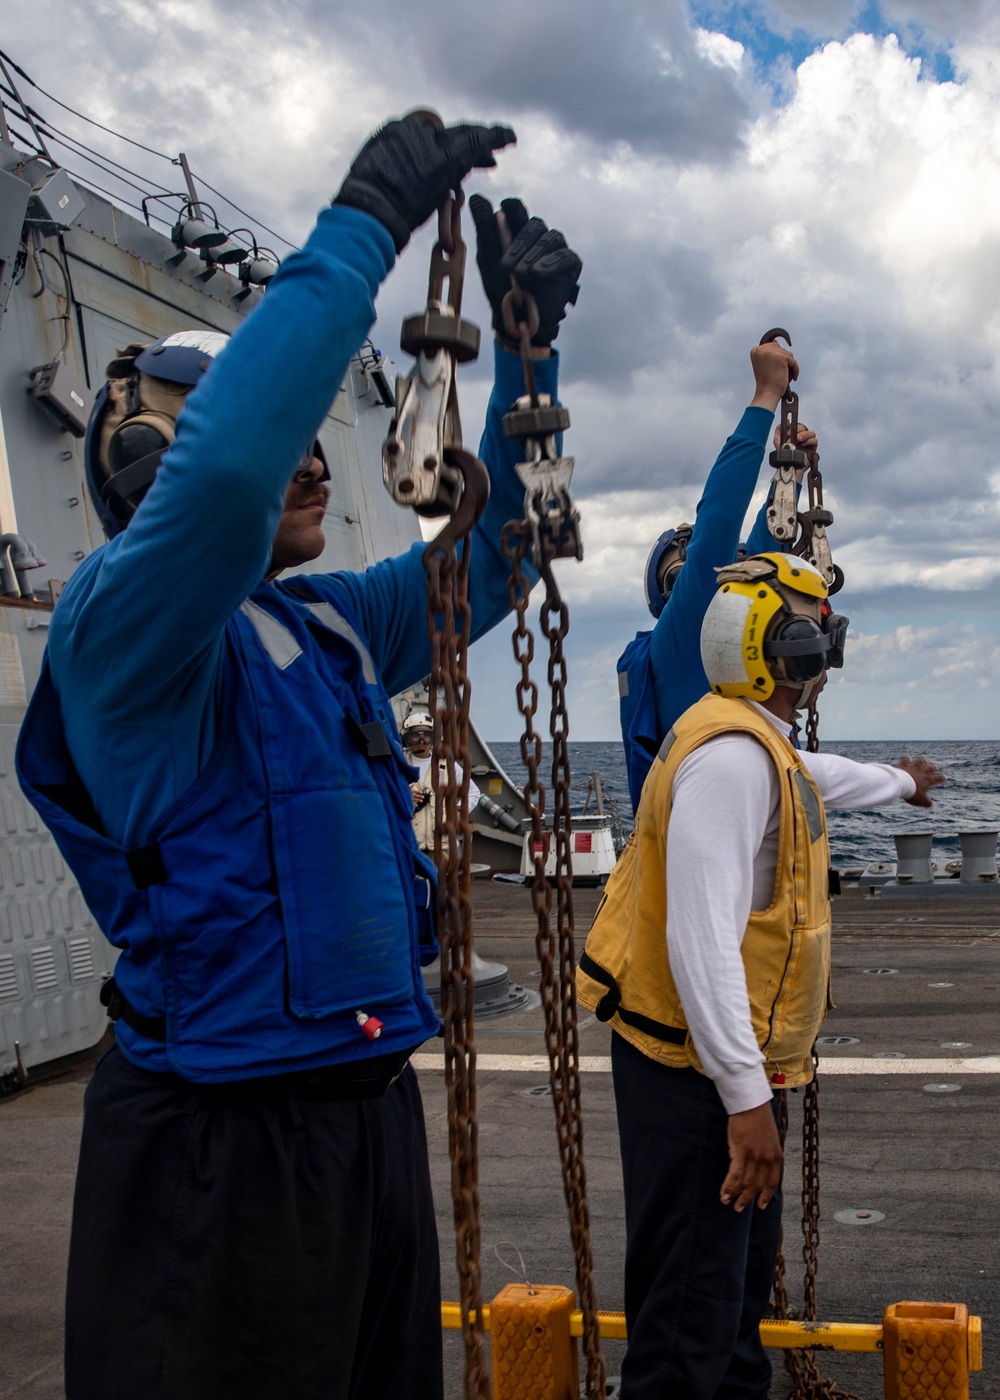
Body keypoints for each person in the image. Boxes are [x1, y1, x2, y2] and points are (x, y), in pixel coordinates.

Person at [16, 111, 582, 1400]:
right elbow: (220, 491)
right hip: (217, 1152)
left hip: (358, 1115)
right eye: (289, 438)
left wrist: (534, 367)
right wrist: (363, 226)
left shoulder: (320, 622)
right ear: (151, 465)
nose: (317, 460)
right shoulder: (123, 629)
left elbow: (499, 558)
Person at [578, 552, 944, 1399]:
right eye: (821, 632)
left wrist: (900, 782)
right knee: (687, 1323)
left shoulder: (744, 740)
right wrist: (745, 1101)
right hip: (699, 1082)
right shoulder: (731, 763)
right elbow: (699, 944)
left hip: (711, 1069)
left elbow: (812, 776)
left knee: (730, 1307)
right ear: (796, 649)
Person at [618, 338, 818, 813]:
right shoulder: (683, 637)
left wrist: (788, 475)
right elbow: (718, 524)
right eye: (682, 566)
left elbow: (763, 557)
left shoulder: (728, 637)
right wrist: (765, 397)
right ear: (669, 591)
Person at [402, 709, 482, 854]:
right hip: (410, 844)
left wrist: (458, 811)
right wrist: (404, 795)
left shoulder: (446, 765)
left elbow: (472, 791)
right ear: (407, 738)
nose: (422, 742)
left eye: (427, 736)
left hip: (442, 845)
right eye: (416, 736)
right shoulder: (399, 765)